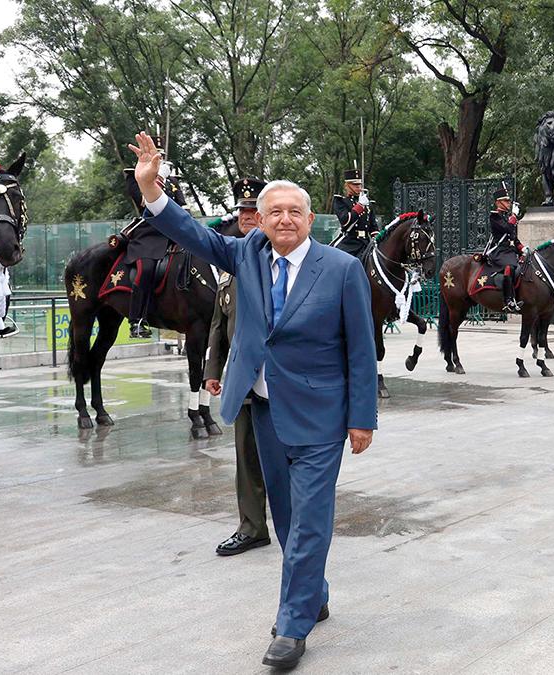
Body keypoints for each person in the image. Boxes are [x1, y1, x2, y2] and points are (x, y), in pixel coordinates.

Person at [128, 132, 377, 670]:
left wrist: (362, 418)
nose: (284, 219)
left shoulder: (341, 270)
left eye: (295, 211)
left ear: (311, 220)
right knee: (285, 516)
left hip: (321, 416)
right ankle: (314, 591)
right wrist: (152, 190)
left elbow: (362, 349)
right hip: (263, 409)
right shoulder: (246, 255)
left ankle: (292, 623)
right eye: (274, 212)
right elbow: (190, 231)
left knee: (310, 516)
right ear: (260, 220)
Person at [204, 177, 273, 557]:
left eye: (254, 212)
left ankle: (298, 523)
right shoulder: (230, 267)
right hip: (243, 379)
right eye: (243, 212)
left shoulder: (278, 261)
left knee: (289, 456)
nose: (248, 218)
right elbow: (219, 323)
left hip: (282, 379)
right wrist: (213, 371)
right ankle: (252, 527)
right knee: (246, 456)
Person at [122, 138, 185, 338]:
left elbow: (183, 207)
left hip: (175, 232)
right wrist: (154, 181)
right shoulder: (135, 178)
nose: (159, 159)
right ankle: (136, 320)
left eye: (161, 156)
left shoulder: (173, 182)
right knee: (146, 268)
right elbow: (144, 204)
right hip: (149, 233)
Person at [484, 186, 525, 311]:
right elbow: (506, 228)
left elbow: (513, 237)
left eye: (508, 201)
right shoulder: (495, 216)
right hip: (499, 251)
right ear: (498, 203)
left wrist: (522, 248)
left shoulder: (507, 217)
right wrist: (513, 217)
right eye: (506, 201)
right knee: (509, 266)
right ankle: (508, 300)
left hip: (510, 251)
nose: (508, 203)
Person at [332, 169, 377, 258]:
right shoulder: (341, 202)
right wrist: (359, 206)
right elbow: (345, 221)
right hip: (349, 242)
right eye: (355, 184)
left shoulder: (367, 203)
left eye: (360, 184)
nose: (358, 187)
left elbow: (373, 226)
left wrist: (377, 239)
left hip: (366, 243)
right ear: (347, 185)